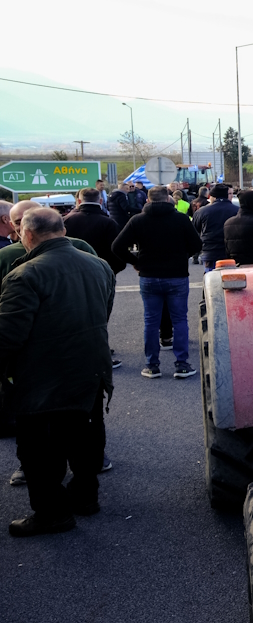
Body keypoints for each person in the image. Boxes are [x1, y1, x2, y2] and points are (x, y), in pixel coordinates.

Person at [0, 208, 115, 537]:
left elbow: (8, 335)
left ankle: (52, 514)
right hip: (91, 367)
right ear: (63, 230)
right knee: (86, 435)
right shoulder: (99, 265)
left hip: (42, 375)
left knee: (38, 450)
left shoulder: (25, 274)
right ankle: (85, 496)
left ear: (28, 235)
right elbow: (104, 311)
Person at [112, 186, 204, 379]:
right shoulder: (180, 219)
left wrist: (136, 262)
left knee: (151, 322)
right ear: (169, 199)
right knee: (179, 320)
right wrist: (181, 256)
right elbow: (197, 244)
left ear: (147, 200)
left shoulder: (137, 220)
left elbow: (117, 246)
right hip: (177, 276)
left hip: (149, 276)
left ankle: (152, 365)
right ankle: (182, 364)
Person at [63, 188, 124, 277]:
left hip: (72, 273)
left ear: (79, 201)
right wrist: (110, 272)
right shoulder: (109, 223)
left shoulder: (66, 221)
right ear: (100, 201)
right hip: (101, 272)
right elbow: (117, 250)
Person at [192, 184, 238, 271]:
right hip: (231, 252)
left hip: (210, 251)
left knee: (211, 279)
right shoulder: (237, 211)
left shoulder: (202, 212)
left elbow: (195, 231)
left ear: (213, 197)